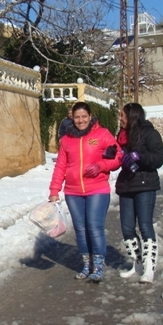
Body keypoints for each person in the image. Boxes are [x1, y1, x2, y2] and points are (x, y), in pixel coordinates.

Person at [49, 101, 122, 282]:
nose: (80, 120)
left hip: (97, 188)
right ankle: (86, 265)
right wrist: (54, 189)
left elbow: (118, 156)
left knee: (94, 227)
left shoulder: (102, 134)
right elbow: (60, 166)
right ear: (71, 118)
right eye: (77, 117)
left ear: (90, 117)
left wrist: (101, 165)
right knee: (80, 230)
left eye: (84, 117)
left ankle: (98, 267)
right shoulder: (66, 140)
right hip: (73, 192)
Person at [115, 102, 163, 283]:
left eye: (122, 115)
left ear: (132, 116)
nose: (120, 119)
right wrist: (111, 154)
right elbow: (117, 158)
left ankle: (149, 268)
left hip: (145, 184)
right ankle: (136, 263)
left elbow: (159, 158)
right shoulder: (121, 135)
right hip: (126, 185)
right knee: (127, 228)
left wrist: (140, 157)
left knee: (145, 226)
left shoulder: (150, 133)